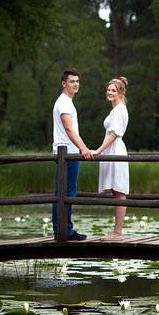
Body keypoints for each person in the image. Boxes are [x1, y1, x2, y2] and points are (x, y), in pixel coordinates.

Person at [52, 68, 93, 240]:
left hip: (67, 151)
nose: (75, 84)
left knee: (64, 192)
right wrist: (84, 148)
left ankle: (62, 230)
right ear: (64, 83)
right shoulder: (64, 102)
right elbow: (69, 129)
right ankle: (65, 231)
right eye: (72, 81)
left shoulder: (67, 101)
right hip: (67, 153)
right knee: (66, 193)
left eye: (77, 81)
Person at [92, 76, 129, 241]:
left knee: (119, 191)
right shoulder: (114, 110)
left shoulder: (120, 109)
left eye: (113, 90)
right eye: (108, 90)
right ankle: (116, 231)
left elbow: (114, 134)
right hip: (111, 149)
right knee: (115, 191)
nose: (110, 92)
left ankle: (118, 232)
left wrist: (99, 151)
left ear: (120, 93)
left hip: (116, 149)